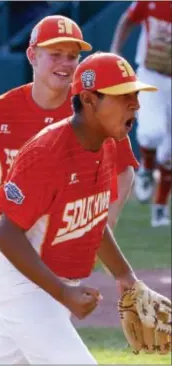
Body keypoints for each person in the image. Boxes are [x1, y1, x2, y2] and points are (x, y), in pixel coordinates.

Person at [0, 15, 138, 364]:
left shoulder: (98, 119)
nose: (65, 63)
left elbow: (124, 170)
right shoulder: (1, 113)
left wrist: (103, 226)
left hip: (60, 250)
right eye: (55, 53)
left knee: (9, 357)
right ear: (31, 55)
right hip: (8, 246)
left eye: (72, 55)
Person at [110, 1, 172, 227]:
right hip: (151, 74)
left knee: (169, 153)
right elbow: (128, 20)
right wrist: (115, 48)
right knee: (151, 133)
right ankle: (146, 166)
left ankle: (160, 209)